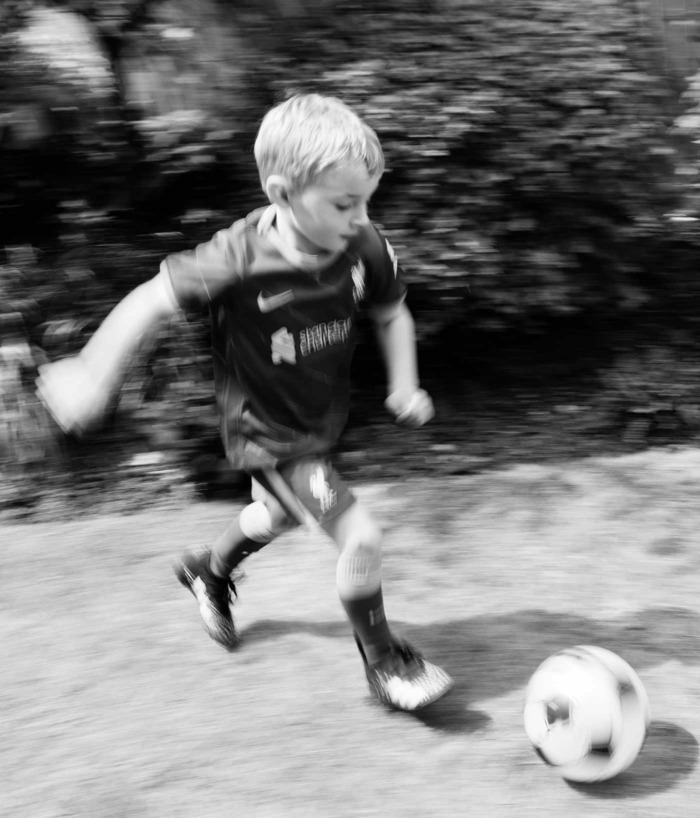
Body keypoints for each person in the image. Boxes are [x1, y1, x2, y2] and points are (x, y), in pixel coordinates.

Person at [35, 93, 453, 712]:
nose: (361, 216)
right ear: (283, 194)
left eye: (367, 200)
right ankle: (385, 660)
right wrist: (95, 374)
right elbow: (151, 299)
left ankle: (210, 570)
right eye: (344, 203)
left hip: (317, 420)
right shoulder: (237, 257)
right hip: (269, 433)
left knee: (277, 517)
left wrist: (404, 381)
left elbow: (391, 311)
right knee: (359, 536)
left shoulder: (361, 243)